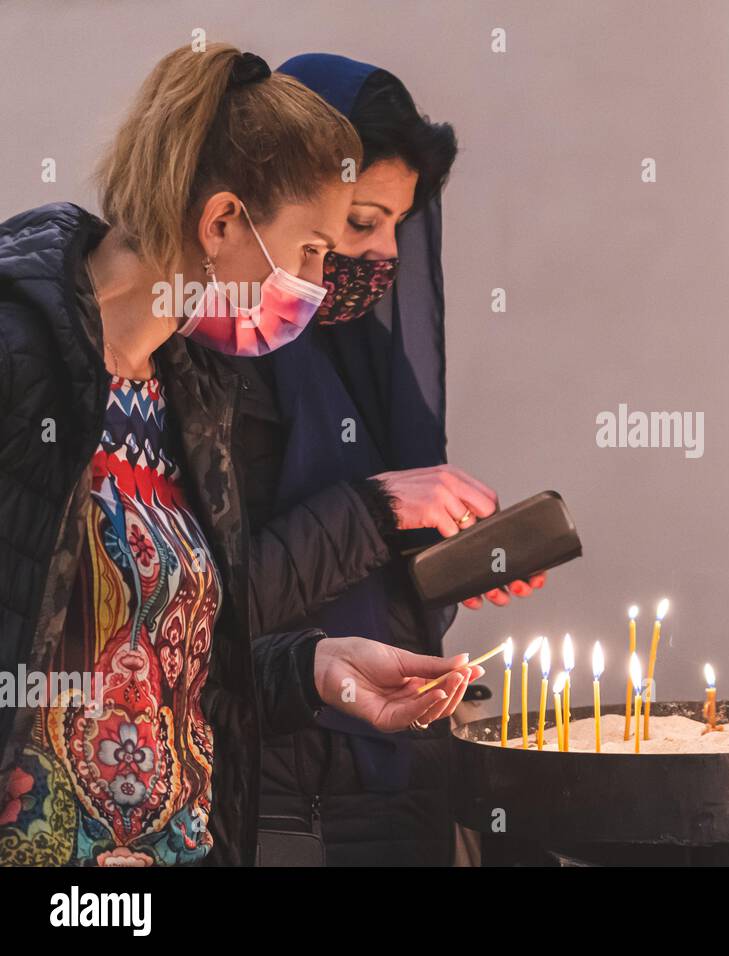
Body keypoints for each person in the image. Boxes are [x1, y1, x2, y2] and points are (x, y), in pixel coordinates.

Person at [0, 43, 480, 867]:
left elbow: (174, 656)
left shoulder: (185, 393)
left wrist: (319, 668)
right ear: (221, 222)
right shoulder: (20, 353)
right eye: (312, 251)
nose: (321, 282)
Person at [235, 53, 541, 866]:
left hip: (397, 776)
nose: (384, 256)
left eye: (399, 227)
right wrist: (380, 508)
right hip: (275, 790)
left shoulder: (362, 360)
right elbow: (201, 609)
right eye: (362, 221)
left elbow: (361, 562)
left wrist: (446, 556)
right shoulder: (219, 357)